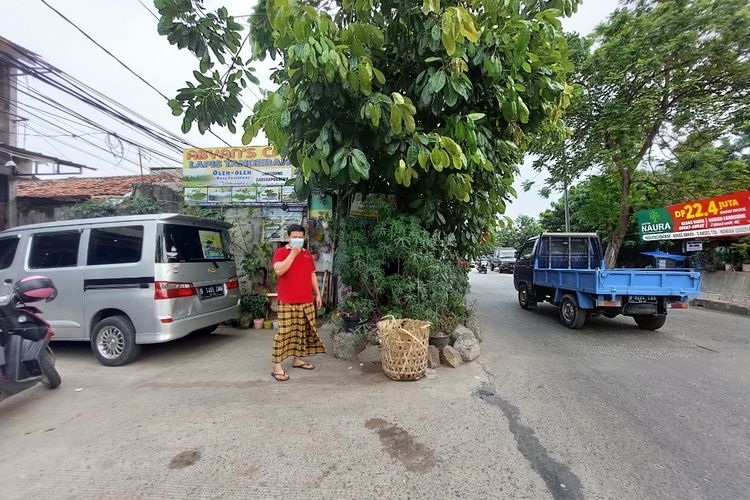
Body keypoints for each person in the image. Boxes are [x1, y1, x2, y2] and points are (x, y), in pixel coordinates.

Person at [270, 224, 325, 381]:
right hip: (287, 300)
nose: (297, 240)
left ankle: (297, 359)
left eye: (300, 237)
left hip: (306, 300)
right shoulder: (280, 252)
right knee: (284, 333)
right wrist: (293, 254)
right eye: (294, 237)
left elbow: (312, 275)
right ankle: (277, 365)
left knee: (301, 332)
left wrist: (318, 295)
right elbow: (279, 270)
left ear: (304, 238)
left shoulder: (307, 254)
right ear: (288, 237)